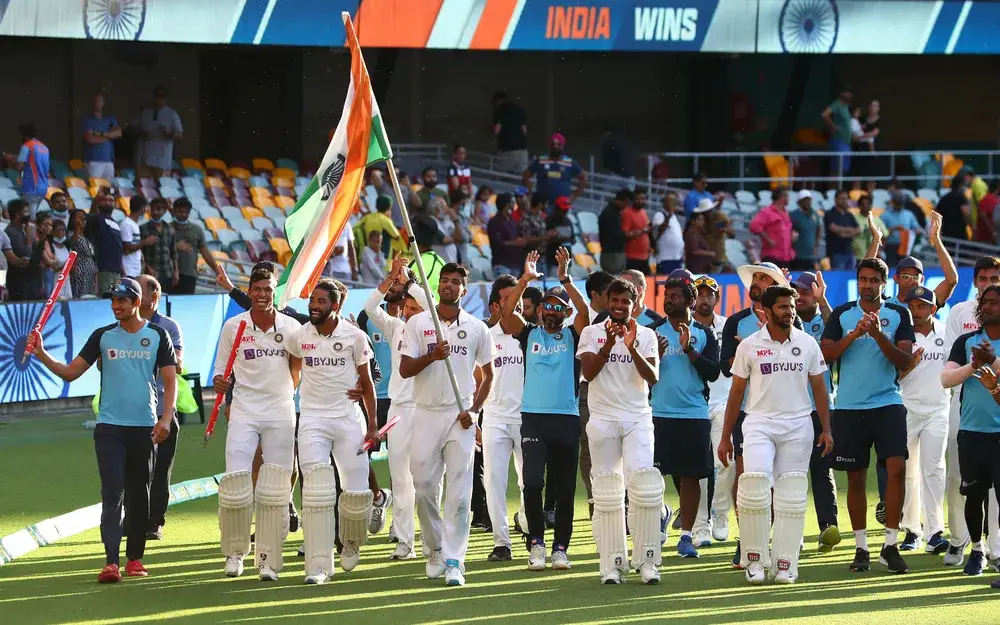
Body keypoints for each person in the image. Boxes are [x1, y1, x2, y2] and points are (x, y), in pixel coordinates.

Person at [30, 277, 176, 582]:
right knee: (112, 492)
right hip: (109, 427)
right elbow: (71, 372)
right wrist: (41, 354)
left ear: (137, 302)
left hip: (143, 427)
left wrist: (165, 418)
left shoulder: (159, 335)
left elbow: (170, 380)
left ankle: (134, 558)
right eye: (112, 301)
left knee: (140, 494)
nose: (116, 306)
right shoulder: (103, 336)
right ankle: (111, 562)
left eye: (122, 300)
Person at [720, 285, 833, 584]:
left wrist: (828, 429)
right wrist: (725, 436)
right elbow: (736, 393)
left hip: (799, 426)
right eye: (782, 307)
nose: (789, 312)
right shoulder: (749, 345)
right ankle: (754, 559)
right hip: (759, 424)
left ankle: (786, 564)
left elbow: (820, 389)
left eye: (791, 307)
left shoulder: (808, 343)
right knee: (755, 488)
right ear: (766, 311)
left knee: (790, 495)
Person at [399, 263, 495, 587]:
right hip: (425, 412)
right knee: (424, 486)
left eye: (456, 282)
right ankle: (435, 546)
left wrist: (475, 409)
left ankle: (455, 559)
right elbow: (404, 369)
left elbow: (488, 375)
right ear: (437, 285)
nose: (449, 286)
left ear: (464, 290)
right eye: (445, 280)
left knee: (460, 490)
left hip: (460, 416)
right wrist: (432, 356)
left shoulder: (478, 328)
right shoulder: (417, 323)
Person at [821, 258, 915, 574]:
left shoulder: (898, 313)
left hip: (888, 402)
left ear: (884, 284)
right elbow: (826, 355)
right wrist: (854, 334)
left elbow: (904, 361)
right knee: (856, 476)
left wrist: (876, 335)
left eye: (874, 280)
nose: (868, 285)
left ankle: (890, 544)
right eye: (863, 279)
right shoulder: (842, 314)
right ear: (857, 281)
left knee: (897, 467)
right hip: (848, 406)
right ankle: (861, 548)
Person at [501, 248, 590, 570]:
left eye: (559, 308)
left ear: (565, 314)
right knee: (533, 483)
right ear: (539, 310)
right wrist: (525, 278)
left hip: (566, 420)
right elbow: (507, 315)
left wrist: (565, 277)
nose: (552, 312)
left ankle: (560, 548)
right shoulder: (529, 334)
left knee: (565, 490)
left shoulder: (574, 336)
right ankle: (536, 543)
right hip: (533, 420)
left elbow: (586, 312)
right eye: (547, 307)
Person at [288, 279, 379, 585]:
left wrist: (374, 426)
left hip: (348, 421)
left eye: (321, 302)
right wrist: (291, 387)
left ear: (336, 306)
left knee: (355, 491)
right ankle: (318, 564)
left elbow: (367, 384)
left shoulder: (355, 336)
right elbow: (291, 362)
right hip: (312, 419)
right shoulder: (302, 334)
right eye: (312, 300)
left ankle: (351, 542)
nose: (313, 305)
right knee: (315, 492)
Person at [213, 268, 302, 581]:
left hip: (280, 412)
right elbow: (220, 370)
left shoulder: (291, 327)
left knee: (274, 489)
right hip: (244, 412)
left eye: (269, 289)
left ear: (274, 290)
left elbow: (297, 368)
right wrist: (221, 384)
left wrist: (284, 394)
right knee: (236, 482)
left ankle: (268, 558)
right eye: (258, 289)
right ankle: (235, 554)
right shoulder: (233, 326)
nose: (263, 294)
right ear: (249, 291)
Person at [577, 278, 661, 584]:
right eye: (614, 300)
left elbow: (653, 377)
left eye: (625, 301)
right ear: (607, 302)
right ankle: (611, 564)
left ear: (634, 302)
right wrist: (610, 344)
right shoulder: (590, 333)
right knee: (607, 492)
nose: (619, 305)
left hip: (637, 417)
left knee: (643, 488)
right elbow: (588, 373)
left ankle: (647, 561)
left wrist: (630, 346)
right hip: (602, 419)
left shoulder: (647, 334)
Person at [720, 262, 800, 567]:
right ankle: (749, 540)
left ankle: (780, 539)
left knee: (781, 479)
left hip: (786, 415)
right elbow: (726, 366)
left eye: (763, 278)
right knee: (749, 479)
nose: (755, 282)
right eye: (754, 278)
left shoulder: (792, 323)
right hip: (748, 414)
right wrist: (747, 353)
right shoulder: (736, 322)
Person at [649, 272, 720, 559]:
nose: (668, 300)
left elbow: (714, 373)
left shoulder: (705, 334)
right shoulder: (652, 332)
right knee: (653, 476)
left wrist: (689, 348)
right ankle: (657, 522)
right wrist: (654, 356)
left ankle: (687, 536)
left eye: (675, 296)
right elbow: (640, 375)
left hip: (693, 414)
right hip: (658, 413)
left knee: (691, 477)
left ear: (690, 300)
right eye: (666, 295)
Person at [363, 256, 429, 561]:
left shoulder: (433, 329)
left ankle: (432, 541)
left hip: (428, 410)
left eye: (417, 309)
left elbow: (428, 301)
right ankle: (405, 542)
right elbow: (370, 308)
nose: (413, 313)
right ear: (402, 310)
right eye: (408, 309)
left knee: (428, 480)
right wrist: (391, 279)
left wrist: (410, 281)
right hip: (399, 412)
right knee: (400, 477)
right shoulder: (395, 328)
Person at [942, 256, 1000, 568]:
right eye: (984, 279)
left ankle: (995, 549)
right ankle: (960, 541)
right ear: (975, 282)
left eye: (995, 279)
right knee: (958, 480)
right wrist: (975, 365)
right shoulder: (960, 315)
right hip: (965, 410)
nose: (989, 285)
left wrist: (992, 362)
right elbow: (948, 374)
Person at [894, 286, 950, 554]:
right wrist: (909, 365)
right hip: (906, 409)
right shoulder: (902, 334)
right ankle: (911, 530)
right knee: (908, 472)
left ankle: (935, 531)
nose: (916, 311)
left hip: (938, 408)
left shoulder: (947, 333)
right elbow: (894, 376)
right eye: (913, 306)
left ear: (933, 308)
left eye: (922, 306)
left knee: (934, 469)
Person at [789, 272, 840, 552]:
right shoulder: (784, 322)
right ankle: (791, 531)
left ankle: (828, 527)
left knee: (821, 469)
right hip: (789, 409)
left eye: (807, 291)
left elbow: (838, 329)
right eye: (796, 291)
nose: (801, 296)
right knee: (791, 471)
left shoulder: (825, 320)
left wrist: (824, 302)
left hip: (820, 408)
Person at [134, 275, 182, 540]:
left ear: (153, 297)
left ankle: (154, 522)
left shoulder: (168, 327)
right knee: (135, 469)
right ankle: (133, 518)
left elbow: (179, 365)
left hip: (162, 409)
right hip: (133, 411)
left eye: (137, 290)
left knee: (161, 468)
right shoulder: (119, 327)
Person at [690, 275, 733, 544]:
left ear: (717, 298)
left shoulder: (728, 326)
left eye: (710, 294)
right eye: (700, 294)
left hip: (723, 401)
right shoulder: (684, 326)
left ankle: (720, 512)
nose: (704, 299)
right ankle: (699, 523)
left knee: (726, 461)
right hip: (692, 402)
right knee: (697, 466)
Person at [578, 271, 615, 516]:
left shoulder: (624, 317)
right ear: (595, 295)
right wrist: (566, 280)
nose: (615, 300)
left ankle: (618, 502)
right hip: (588, 389)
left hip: (618, 391)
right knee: (589, 447)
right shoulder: (585, 319)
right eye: (609, 294)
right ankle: (595, 501)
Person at [522, 133, 587, 206]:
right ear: (550, 145)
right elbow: (525, 176)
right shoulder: (541, 160)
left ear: (563, 146)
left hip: (563, 205)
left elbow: (584, 178)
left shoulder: (569, 162)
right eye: (553, 144)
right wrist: (531, 193)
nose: (555, 146)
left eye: (559, 144)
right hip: (542, 205)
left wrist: (574, 195)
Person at [172, 199, 220, 294]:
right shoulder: (167, 228)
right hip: (170, 274)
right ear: (174, 211)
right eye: (180, 211)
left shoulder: (196, 230)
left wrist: (217, 271)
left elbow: (205, 252)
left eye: (186, 212)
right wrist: (175, 246)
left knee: (187, 305)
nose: (183, 215)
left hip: (189, 274)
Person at [135, 86, 182, 179]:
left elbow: (180, 135)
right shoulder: (145, 113)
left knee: (163, 188)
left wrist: (170, 133)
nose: (159, 99)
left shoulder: (172, 114)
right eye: (157, 96)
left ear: (166, 98)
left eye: (162, 96)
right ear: (153, 97)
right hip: (146, 159)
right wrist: (142, 133)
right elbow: (134, 129)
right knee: (146, 188)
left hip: (163, 161)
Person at [85, 194, 124, 295]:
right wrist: (95, 200)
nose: (108, 202)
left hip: (117, 269)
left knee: (116, 298)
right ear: (99, 203)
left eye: (111, 200)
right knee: (107, 299)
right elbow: (90, 217)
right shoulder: (97, 219)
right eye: (104, 200)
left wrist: (122, 268)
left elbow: (118, 247)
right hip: (104, 267)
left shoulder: (115, 223)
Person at [749, 188, 794, 268]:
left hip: (785, 256)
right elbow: (754, 225)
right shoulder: (767, 212)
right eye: (787, 196)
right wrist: (768, 239)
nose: (789, 199)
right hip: (771, 255)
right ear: (781, 197)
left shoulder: (786, 213)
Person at [82, 91, 121, 181]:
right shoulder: (87, 119)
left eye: (100, 100)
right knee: (94, 188)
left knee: (108, 188)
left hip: (109, 160)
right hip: (93, 160)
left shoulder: (109, 119)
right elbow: (90, 139)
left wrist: (100, 134)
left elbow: (119, 133)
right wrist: (110, 135)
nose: (97, 102)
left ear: (103, 102)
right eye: (95, 100)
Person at [139, 198, 178, 287]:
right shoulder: (143, 228)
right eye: (153, 209)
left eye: (159, 209)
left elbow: (174, 252)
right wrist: (147, 267)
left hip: (168, 273)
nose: (155, 212)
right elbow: (139, 253)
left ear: (164, 211)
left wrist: (176, 272)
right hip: (151, 274)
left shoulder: (170, 229)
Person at [14, 123, 49, 218]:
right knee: (33, 216)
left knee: (30, 219)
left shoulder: (27, 146)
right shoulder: (44, 147)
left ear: (24, 135)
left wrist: (12, 160)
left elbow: (19, 167)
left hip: (31, 187)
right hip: (43, 187)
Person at [487, 192, 525, 277]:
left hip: (515, 263)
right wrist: (515, 243)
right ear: (507, 204)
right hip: (502, 263)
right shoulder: (495, 221)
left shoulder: (512, 221)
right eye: (512, 202)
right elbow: (497, 242)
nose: (514, 205)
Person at [881, 193, 923, 267]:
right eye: (897, 203)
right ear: (893, 202)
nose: (899, 205)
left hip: (905, 246)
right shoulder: (885, 215)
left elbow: (916, 227)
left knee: (905, 268)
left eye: (901, 203)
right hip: (891, 246)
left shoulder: (909, 214)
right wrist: (894, 228)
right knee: (891, 267)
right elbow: (880, 232)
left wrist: (916, 231)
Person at [3, 200, 34, 301]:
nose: (28, 214)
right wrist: (29, 237)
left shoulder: (22, 230)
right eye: (25, 212)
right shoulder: (11, 232)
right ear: (17, 214)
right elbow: (25, 254)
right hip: (17, 280)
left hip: (26, 279)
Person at [492, 90, 528, 174]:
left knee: (499, 177)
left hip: (507, 150)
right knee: (520, 178)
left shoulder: (499, 111)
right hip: (522, 150)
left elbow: (496, 131)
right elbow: (524, 131)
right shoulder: (519, 110)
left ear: (497, 100)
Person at [824, 190, 861, 270]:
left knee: (850, 276)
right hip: (836, 252)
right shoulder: (829, 214)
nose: (845, 201)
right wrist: (851, 230)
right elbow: (834, 229)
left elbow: (858, 230)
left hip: (850, 252)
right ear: (836, 199)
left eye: (846, 199)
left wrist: (844, 233)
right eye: (842, 199)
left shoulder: (849, 214)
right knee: (838, 277)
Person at [822, 86, 854, 178]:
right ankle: (832, 191)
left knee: (843, 171)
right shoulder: (837, 104)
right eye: (846, 92)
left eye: (850, 92)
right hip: (838, 141)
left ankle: (839, 191)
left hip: (846, 142)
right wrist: (833, 126)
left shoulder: (846, 106)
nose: (849, 94)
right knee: (836, 170)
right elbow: (824, 114)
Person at [67, 209, 99, 298]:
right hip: (80, 271)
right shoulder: (71, 234)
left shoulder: (86, 237)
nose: (82, 219)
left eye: (84, 218)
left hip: (90, 272)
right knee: (80, 296)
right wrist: (77, 227)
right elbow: (74, 242)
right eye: (79, 217)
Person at [651, 191, 684, 275]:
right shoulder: (660, 215)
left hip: (676, 258)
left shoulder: (674, 216)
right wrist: (668, 217)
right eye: (671, 201)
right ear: (665, 203)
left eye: (674, 202)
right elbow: (657, 232)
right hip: (665, 259)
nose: (673, 204)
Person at [936, 177, 972, 247]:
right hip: (960, 234)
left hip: (946, 235)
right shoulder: (962, 198)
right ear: (961, 185)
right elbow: (966, 213)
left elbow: (937, 214)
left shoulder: (944, 198)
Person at [790, 191, 821, 271]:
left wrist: (817, 244)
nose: (808, 202)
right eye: (805, 200)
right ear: (799, 202)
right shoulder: (793, 215)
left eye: (809, 200)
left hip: (811, 255)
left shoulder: (814, 214)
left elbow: (819, 228)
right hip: (798, 255)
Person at [623, 189, 651, 274]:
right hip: (632, 257)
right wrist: (640, 232)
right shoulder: (627, 213)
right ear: (633, 200)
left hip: (645, 256)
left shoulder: (643, 212)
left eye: (642, 199)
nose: (640, 201)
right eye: (637, 199)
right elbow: (624, 234)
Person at [684, 200, 716, 274]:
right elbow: (694, 251)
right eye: (700, 220)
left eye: (702, 220)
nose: (702, 222)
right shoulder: (693, 232)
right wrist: (709, 253)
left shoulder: (699, 231)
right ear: (693, 221)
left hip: (701, 268)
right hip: (696, 269)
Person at [120, 197, 147, 279]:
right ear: (142, 208)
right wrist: (145, 242)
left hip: (135, 271)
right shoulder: (127, 224)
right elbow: (126, 248)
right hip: (128, 270)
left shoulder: (134, 224)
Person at [49, 219, 73, 300]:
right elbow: (53, 268)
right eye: (58, 230)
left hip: (67, 281)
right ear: (52, 232)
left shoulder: (66, 248)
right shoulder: (51, 247)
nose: (61, 232)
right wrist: (66, 265)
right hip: (56, 281)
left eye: (63, 230)